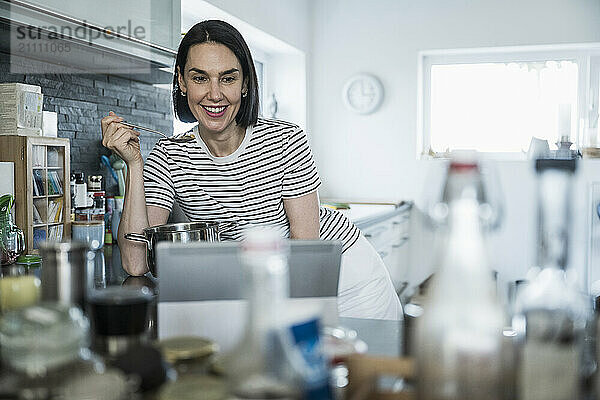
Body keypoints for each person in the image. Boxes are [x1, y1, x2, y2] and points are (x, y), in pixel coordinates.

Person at [101, 20, 401, 320]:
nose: (215, 94)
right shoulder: (169, 156)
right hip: (262, 288)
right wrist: (134, 164)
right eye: (200, 78)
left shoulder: (286, 141)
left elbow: (304, 252)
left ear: (245, 83)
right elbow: (135, 262)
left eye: (228, 78)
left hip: (346, 281)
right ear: (182, 81)